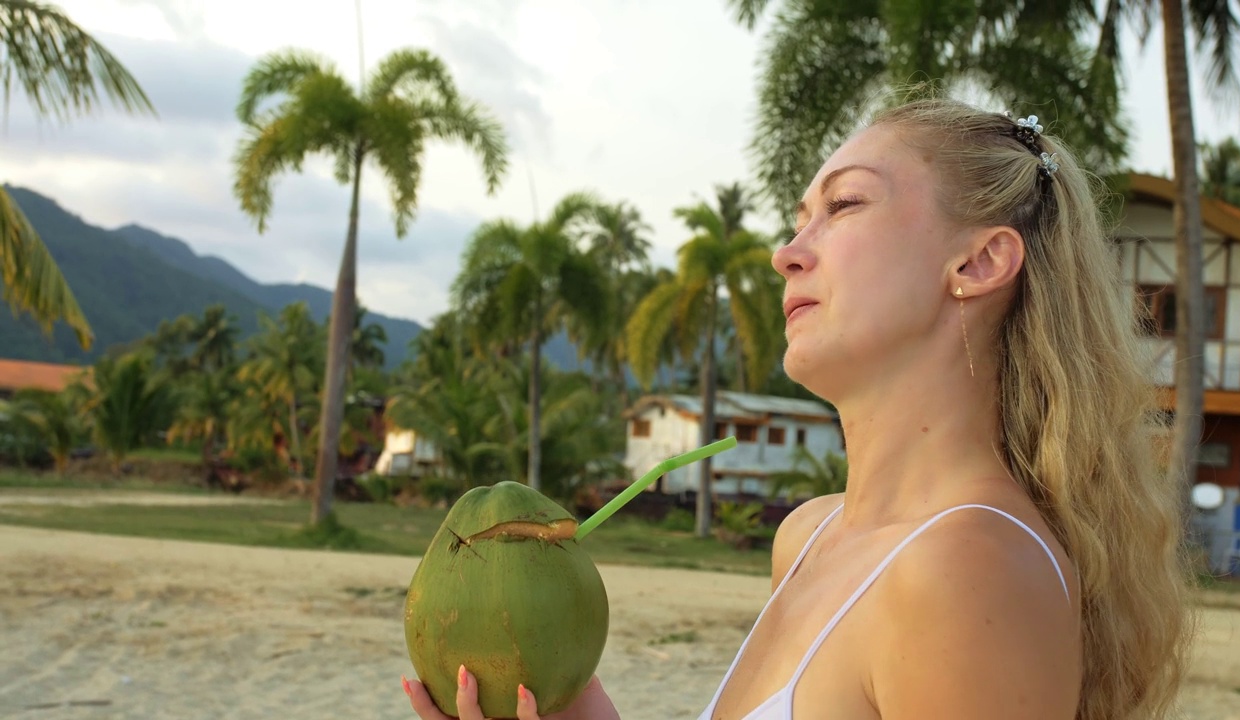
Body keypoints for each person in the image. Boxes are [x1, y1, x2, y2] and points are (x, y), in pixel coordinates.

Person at [402, 93, 1195, 720]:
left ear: (981, 261)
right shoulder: (810, 537)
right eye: (798, 221)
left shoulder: (967, 568)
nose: (787, 253)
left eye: (845, 206)